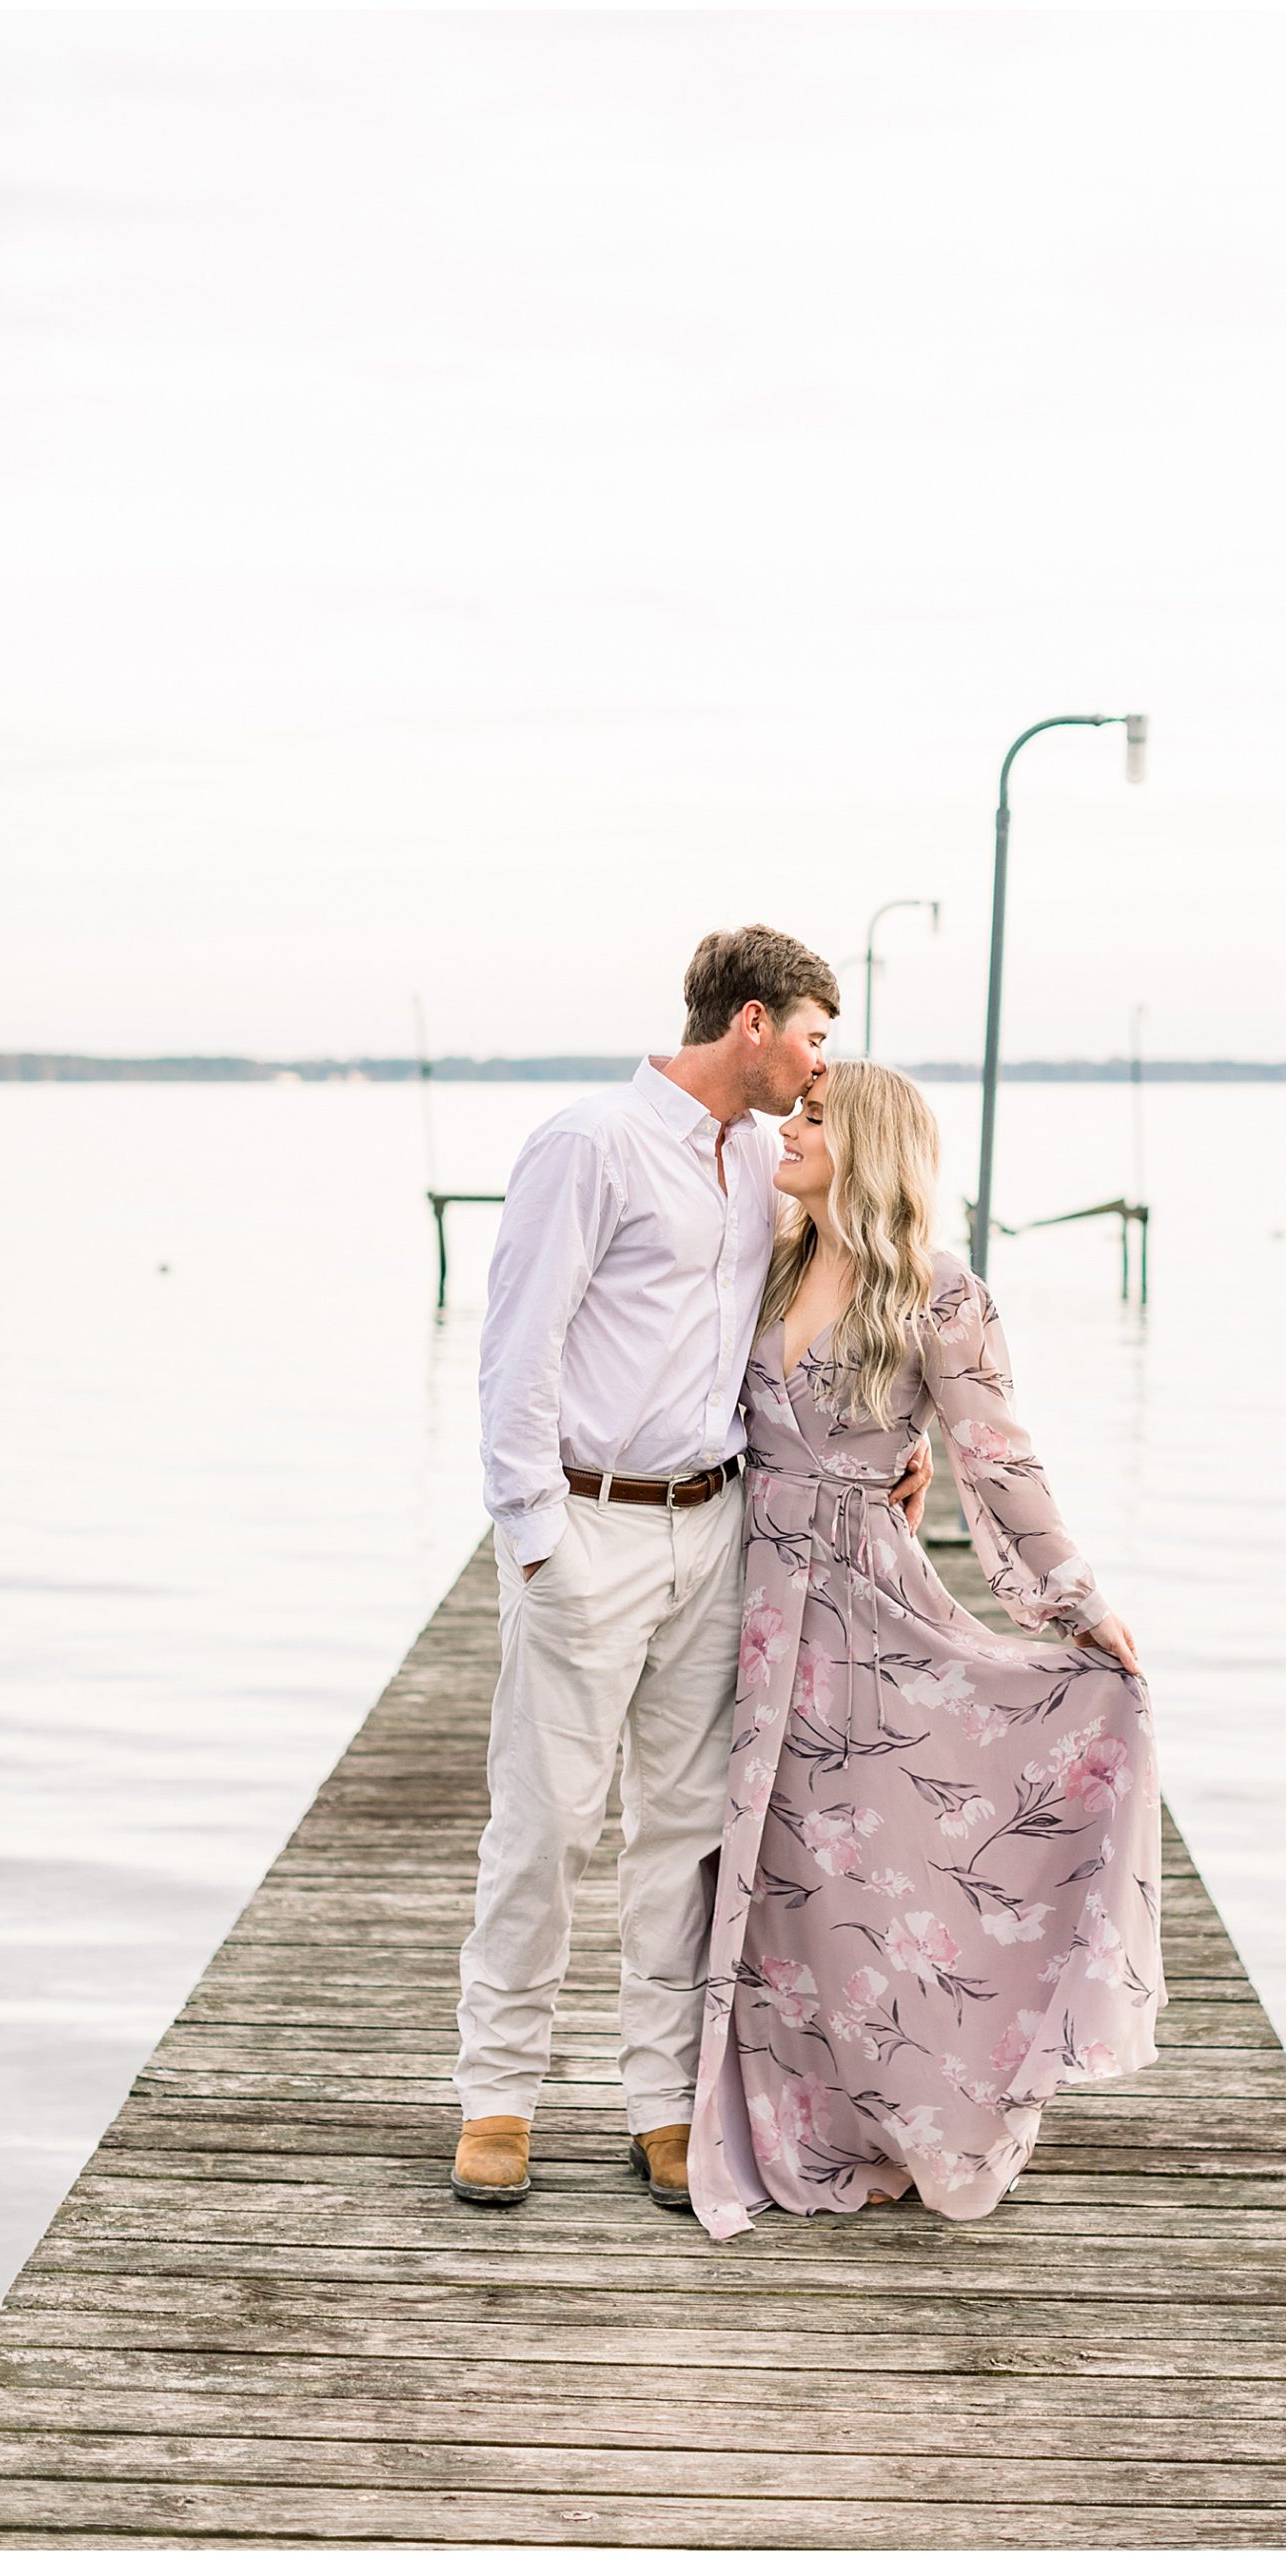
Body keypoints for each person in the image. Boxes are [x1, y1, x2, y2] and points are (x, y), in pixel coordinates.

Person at [453, 929, 931, 2212]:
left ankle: (661, 2104)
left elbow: (831, 1312)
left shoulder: (760, 1174)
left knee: (680, 1834)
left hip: (716, 1527)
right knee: (548, 1820)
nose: (823, 1066)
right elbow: (518, 1345)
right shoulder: (589, 1143)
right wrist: (536, 1533)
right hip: (590, 1528)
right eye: (818, 1038)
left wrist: (906, 1438)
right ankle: (497, 2096)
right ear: (757, 1023)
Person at [687, 1059, 1165, 2239]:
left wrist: (1074, 1600)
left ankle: (909, 2110)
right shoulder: (763, 1261)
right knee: (774, 1875)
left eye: (811, 1119)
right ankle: (787, 2118)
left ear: (870, 1146)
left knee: (867, 1872)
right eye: (790, 1111)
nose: (785, 1130)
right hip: (747, 1595)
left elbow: (998, 1453)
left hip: (862, 1604)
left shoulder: (936, 1293)